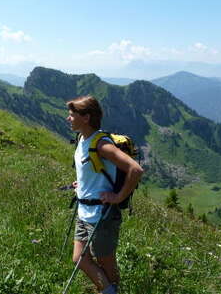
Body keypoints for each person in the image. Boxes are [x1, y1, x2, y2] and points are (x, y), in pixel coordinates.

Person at [66, 95, 143, 294]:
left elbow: (135, 170)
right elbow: (94, 172)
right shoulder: (82, 139)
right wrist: (81, 185)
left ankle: (110, 289)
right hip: (85, 211)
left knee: (105, 261)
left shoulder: (102, 145)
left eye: (72, 115)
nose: (68, 118)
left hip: (103, 214)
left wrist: (117, 198)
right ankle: (109, 290)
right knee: (79, 258)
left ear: (86, 117)